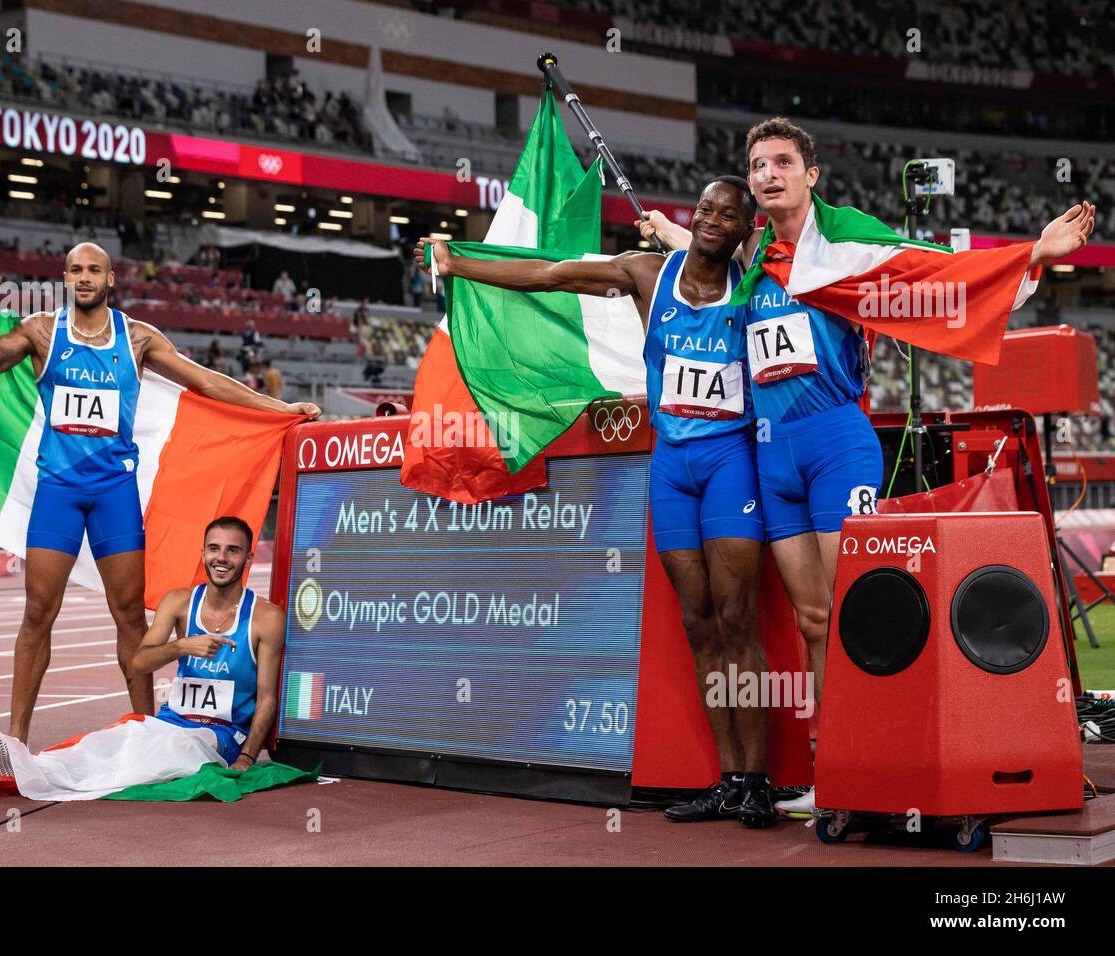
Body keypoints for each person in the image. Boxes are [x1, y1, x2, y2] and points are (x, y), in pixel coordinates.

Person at [643, 117, 1096, 816]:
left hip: (835, 444)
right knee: (812, 619)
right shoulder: (754, 254)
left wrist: (1034, 252)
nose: (767, 174)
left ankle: (863, 769)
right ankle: (832, 768)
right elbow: (699, 254)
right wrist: (671, 234)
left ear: (810, 174)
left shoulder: (847, 244)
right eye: (757, 164)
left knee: (849, 612)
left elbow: (932, 272)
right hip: (770, 452)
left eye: (781, 163)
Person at [415, 176, 778, 828]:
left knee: (736, 619)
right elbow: (554, 274)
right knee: (699, 624)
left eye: (729, 214)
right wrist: (457, 263)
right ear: (694, 218)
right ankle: (727, 778)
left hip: (731, 464)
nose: (715, 220)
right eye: (707, 210)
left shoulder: (752, 289)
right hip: (672, 468)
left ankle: (757, 780)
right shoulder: (647, 274)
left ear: (745, 228)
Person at [0, 242, 320, 744]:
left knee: (130, 614)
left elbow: (206, 383)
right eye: (76, 270)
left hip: (114, 493)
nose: (85, 278)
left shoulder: (137, 339)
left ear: (111, 279)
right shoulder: (41, 331)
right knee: (38, 612)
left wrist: (279, 408)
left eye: (95, 270)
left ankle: (146, 729)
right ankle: (17, 736)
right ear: (65, 277)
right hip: (58, 492)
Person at [0, 517, 287, 799]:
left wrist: (246, 757)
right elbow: (139, 663)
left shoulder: (265, 618)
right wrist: (181, 647)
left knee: (169, 751)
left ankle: (40, 776)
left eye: (233, 551)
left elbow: (267, 699)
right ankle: (24, 766)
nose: (221, 557)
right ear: (203, 553)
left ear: (248, 557)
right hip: (170, 722)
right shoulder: (178, 602)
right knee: (110, 742)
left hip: (222, 733)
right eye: (214, 548)